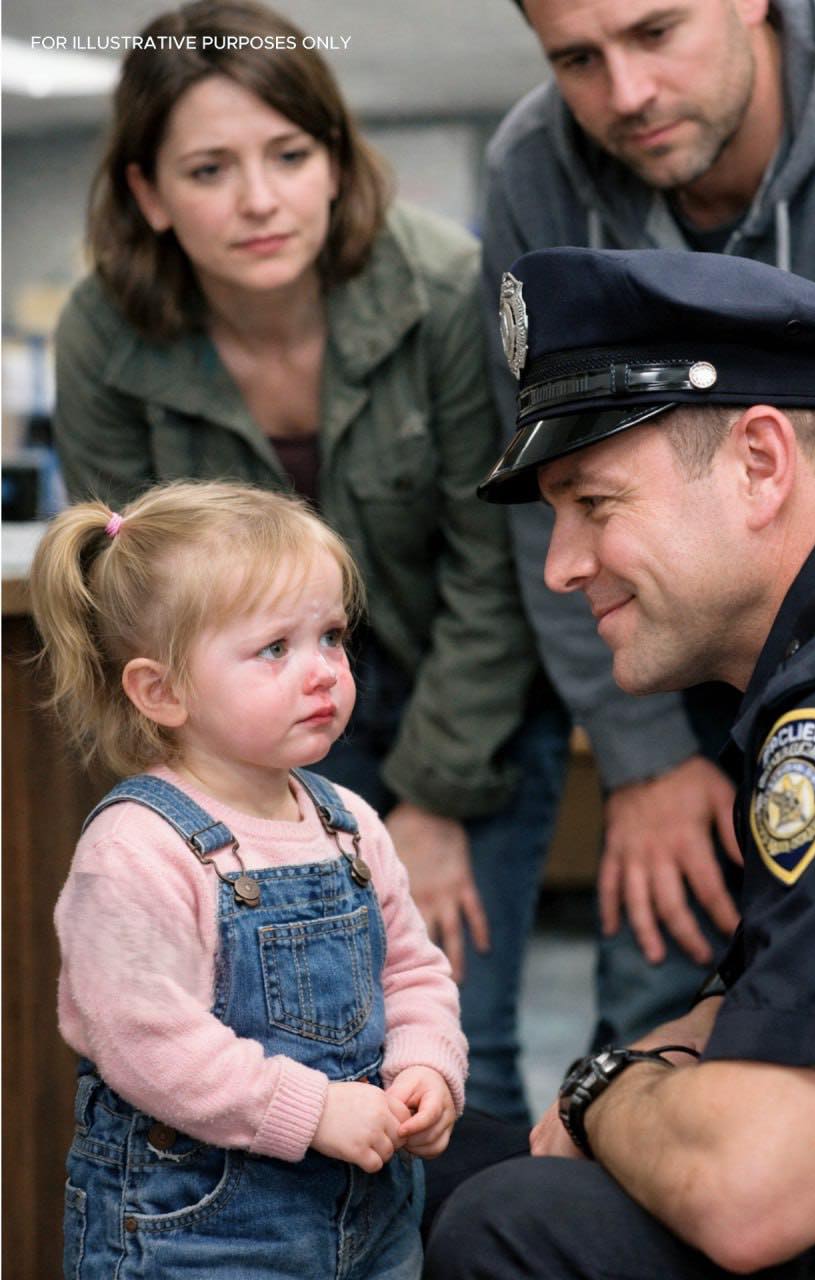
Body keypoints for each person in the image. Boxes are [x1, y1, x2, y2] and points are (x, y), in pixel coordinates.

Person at [50, 0, 567, 1123]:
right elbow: (136, 595)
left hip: (459, 704)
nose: (258, 198)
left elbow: (496, 560)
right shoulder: (102, 333)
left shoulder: (442, 288)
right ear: (148, 194)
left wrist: (431, 798)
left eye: (289, 153)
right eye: (208, 167)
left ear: (335, 160)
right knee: (261, 1045)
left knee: (456, 1041)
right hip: (233, 729)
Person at [424, 249, 815, 1278]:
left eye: (596, 501)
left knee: (515, 1219)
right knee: (437, 1162)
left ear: (762, 463)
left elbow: (752, 1188)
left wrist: (598, 1085)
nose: (560, 564)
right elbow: (778, 987)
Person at [482, 0, 815, 1045]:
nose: (626, 94)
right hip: (668, 651)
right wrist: (642, 756)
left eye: (655, 33)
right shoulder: (532, 164)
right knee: (650, 1005)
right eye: (576, 58)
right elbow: (554, 505)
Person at [30, 479, 468, 1279]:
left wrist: (426, 1062)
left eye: (332, 636)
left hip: (371, 1220)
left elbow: (410, 970)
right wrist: (312, 1111)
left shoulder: (350, 824)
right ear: (160, 691)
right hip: (197, 1235)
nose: (324, 673)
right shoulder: (138, 848)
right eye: (276, 649)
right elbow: (147, 1043)